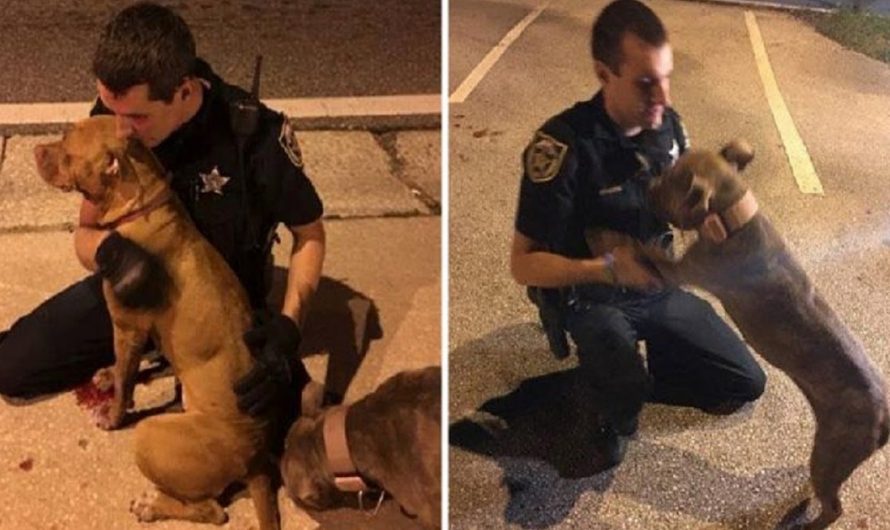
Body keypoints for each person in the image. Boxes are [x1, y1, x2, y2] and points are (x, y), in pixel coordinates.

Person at [0, 2, 325, 430]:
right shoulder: (114, 117)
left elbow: (310, 236)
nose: (119, 130)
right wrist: (110, 254)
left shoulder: (253, 136)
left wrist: (289, 326)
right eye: (110, 110)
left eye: (136, 117)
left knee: (278, 424)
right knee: (12, 367)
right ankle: (150, 346)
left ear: (184, 92)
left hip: (220, 306)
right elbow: (86, 230)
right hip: (135, 285)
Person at [510, 0, 766, 467]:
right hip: (592, 295)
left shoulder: (669, 126)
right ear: (604, 74)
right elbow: (521, 263)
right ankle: (610, 390)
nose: (662, 97)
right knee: (608, 443)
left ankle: (634, 376)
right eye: (646, 83)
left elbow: (684, 204)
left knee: (745, 382)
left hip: (657, 284)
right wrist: (605, 268)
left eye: (666, 78)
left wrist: (707, 221)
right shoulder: (563, 147)